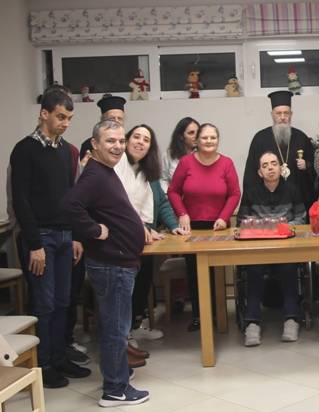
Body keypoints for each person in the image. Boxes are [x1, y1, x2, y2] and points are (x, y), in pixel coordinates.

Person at [62, 120, 150, 406]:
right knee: (116, 328)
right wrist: (93, 230)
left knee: (115, 326)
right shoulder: (94, 174)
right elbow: (70, 206)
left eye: (121, 141)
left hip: (118, 263)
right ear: (95, 144)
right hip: (112, 265)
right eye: (110, 141)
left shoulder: (105, 171)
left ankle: (117, 376)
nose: (118, 146)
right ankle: (114, 389)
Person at [9, 89, 90, 388]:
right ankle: (42, 364)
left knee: (63, 300)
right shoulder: (24, 149)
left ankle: (59, 357)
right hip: (40, 237)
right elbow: (21, 200)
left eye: (69, 118)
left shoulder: (67, 151)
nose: (65, 123)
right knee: (44, 304)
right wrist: (34, 245)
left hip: (66, 235)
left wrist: (77, 236)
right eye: (60, 117)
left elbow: (72, 198)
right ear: (44, 113)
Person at [114, 125, 186, 360]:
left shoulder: (149, 172)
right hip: (122, 238)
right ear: (126, 141)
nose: (140, 142)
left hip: (144, 239)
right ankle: (122, 337)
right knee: (127, 288)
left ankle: (135, 327)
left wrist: (173, 225)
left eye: (146, 140)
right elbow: (120, 204)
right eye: (136, 137)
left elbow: (162, 202)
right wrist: (142, 228)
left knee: (143, 282)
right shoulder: (117, 167)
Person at [167, 123, 241, 331]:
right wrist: (182, 213)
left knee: (216, 272)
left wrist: (224, 217)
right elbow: (173, 191)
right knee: (195, 272)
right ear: (197, 141)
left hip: (218, 227)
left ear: (218, 140)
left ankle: (218, 315)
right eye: (205, 137)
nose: (209, 141)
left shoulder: (226, 163)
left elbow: (235, 193)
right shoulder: (186, 162)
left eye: (213, 137)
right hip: (192, 228)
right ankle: (199, 316)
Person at [238, 151, 307, 346]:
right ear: (260, 172)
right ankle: (252, 322)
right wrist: (270, 228)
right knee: (253, 270)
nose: (270, 168)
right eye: (265, 165)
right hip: (258, 249)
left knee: (289, 268)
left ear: (280, 168)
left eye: (274, 163)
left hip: (286, 247)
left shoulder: (292, 189)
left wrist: (281, 228)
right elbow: (242, 220)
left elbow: (301, 218)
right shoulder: (251, 192)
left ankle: (291, 319)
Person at [244, 90, 315, 208]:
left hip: (297, 202)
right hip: (267, 202)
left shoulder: (301, 137)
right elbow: (251, 174)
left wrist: (306, 165)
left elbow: (314, 167)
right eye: (278, 113)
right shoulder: (260, 138)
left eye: (286, 113)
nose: (282, 117)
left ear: (291, 114)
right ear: (272, 114)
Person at [160, 117, 199, 192]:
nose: (196, 136)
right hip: (172, 196)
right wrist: (167, 194)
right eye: (191, 133)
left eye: (198, 132)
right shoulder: (168, 155)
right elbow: (163, 179)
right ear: (181, 136)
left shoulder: (203, 155)